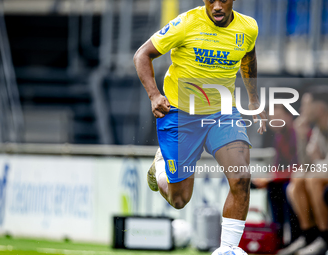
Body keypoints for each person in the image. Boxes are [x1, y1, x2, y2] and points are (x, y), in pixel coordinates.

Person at [134, 0, 267, 253]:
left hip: (222, 113)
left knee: (241, 177)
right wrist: (154, 95)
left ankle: (227, 249)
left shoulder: (248, 28)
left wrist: (253, 99)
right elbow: (142, 54)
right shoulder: (186, 24)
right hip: (181, 116)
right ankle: (160, 167)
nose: (217, 6)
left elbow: (248, 57)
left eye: (223, 0)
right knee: (180, 199)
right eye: (210, 0)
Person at [277, 87, 328, 255]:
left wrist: (317, 165)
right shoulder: (318, 131)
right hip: (321, 175)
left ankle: (324, 238)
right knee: (296, 182)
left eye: (306, 104)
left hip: (321, 177)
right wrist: (301, 136)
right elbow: (306, 165)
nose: (301, 110)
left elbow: (318, 167)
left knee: (312, 179)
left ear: (320, 108)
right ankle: (309, 237)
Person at [253, 104, 301, 247]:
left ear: (289, 116)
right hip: (288, 179)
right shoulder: (279, 138)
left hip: (301, 180)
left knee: (286, 187)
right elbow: (277, 167)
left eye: (278, 117)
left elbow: (300, 167)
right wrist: (268, 179)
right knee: (273, 188)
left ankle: (295, 238)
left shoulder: (299, 134)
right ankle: (277, 238)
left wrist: (272, 178)